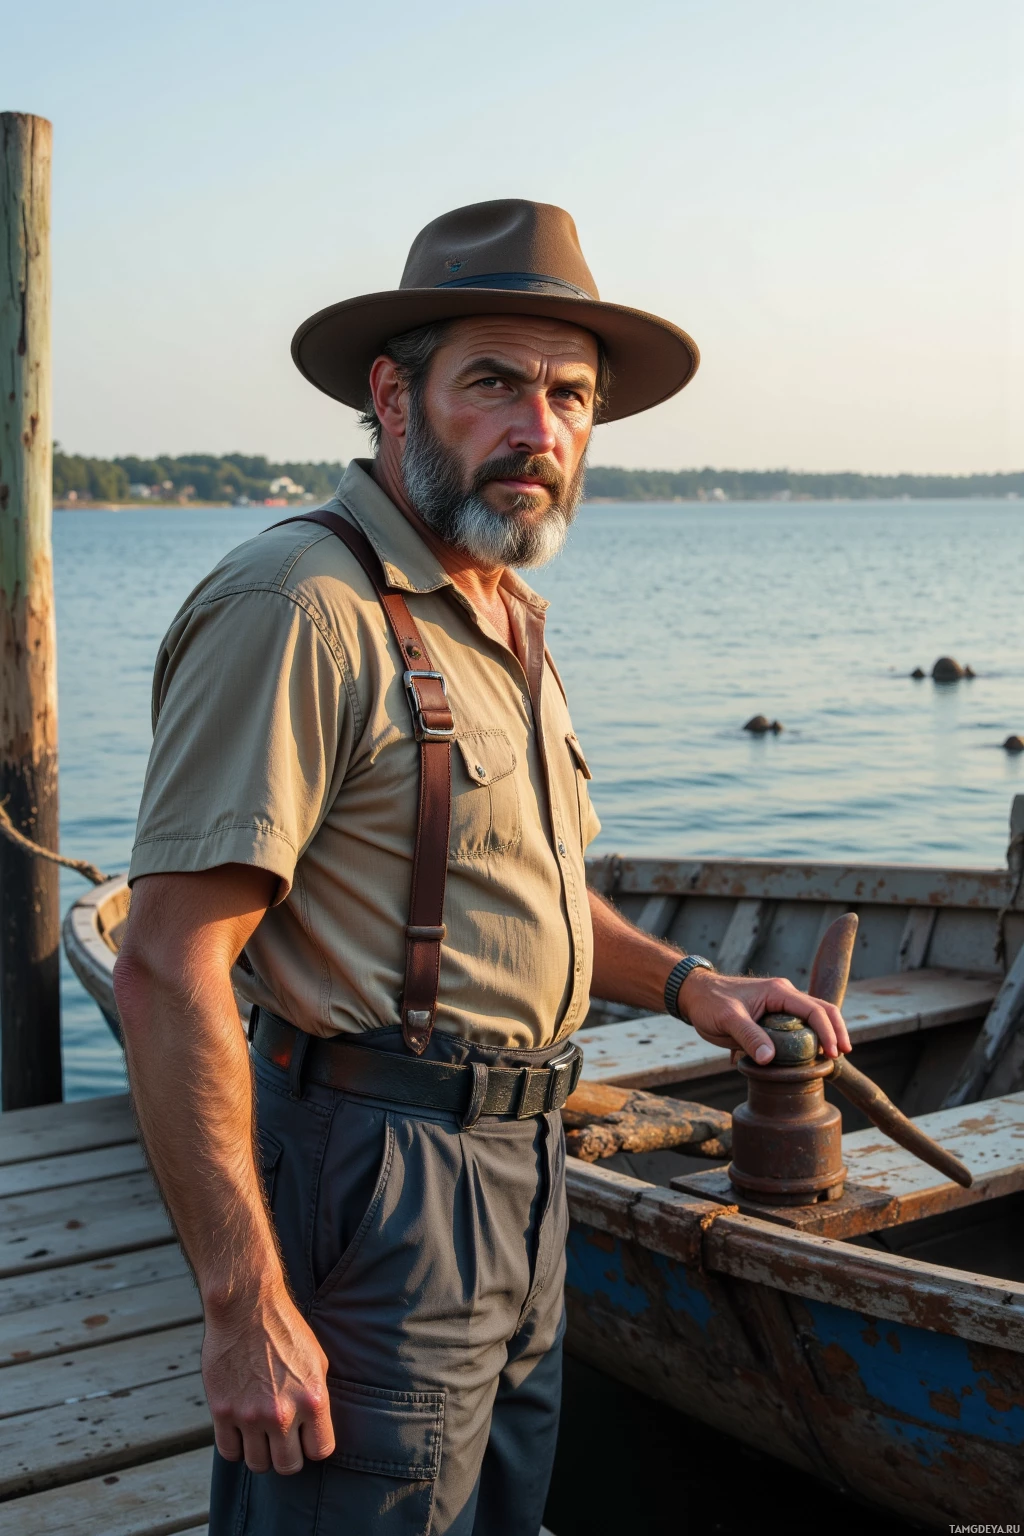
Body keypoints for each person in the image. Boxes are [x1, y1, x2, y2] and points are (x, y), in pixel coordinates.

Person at [114, 198, 850, 1536]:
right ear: (395, 398)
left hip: (527, 1175)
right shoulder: (302, 610)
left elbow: (524, 889)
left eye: (569, 394)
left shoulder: (499, 607)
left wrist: (691, 982)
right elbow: (167, 965)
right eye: (495, 383)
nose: (540, 427)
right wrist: (242, 1305)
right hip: (376, 1177)